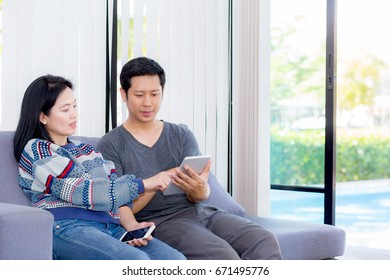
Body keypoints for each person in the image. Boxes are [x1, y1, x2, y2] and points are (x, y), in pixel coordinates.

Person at [97, 57, 283, 260]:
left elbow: (198, 196)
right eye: (139, 95)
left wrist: (201, 190)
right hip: (162, 222)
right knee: (223, 256)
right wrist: (157, 182)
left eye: (155, 94)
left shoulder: (181, 134)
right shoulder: (111, 144)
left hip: (203, 212)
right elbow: (119, 205)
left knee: (263, 239)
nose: (148, 102)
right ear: (123, 94)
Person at [13, 74, 186, 260]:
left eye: (74, 106)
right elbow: (88, 192)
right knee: (136, 263)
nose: (74, 114)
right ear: (42, 116)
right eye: (65, 109)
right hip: (66, 226)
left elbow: (113, 190)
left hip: (109, 227)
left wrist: (132, 226)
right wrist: (145, 184)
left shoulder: (87, 150)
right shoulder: (37, 150)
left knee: (175, 261)